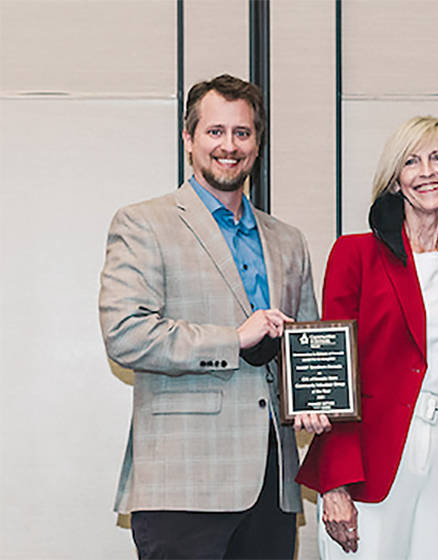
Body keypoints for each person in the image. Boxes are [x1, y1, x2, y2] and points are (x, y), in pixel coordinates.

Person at [99, 74, 331, 558]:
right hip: (183, 481)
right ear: (189, 139)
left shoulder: (288, 240)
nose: (229, 145)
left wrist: (311, 394)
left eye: (242, 133)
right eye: (215, 131)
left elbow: (302, 344)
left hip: (272, 484)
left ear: (257, 142)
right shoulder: (143, 223)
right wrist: (233, 339)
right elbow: (126, 334)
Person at [295, 116, 438, 560]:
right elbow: (333, 377)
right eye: (411, 162)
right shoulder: (354, 255)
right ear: (396, 179)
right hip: (368, 468)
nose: (427, 171)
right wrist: (334, 484)